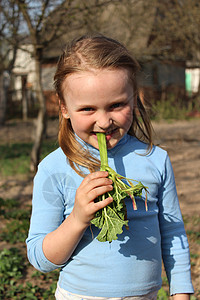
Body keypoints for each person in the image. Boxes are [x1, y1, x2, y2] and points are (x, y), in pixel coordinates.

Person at [26, 34, 194, 300]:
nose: (104, 122)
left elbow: (172, 231)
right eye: (88, 109)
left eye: (117, 105)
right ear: (64, 108)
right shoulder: (53, 168)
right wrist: (78, 219)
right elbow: (41, 259)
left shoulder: (155, 159)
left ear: (134, 99)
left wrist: (181, 292)